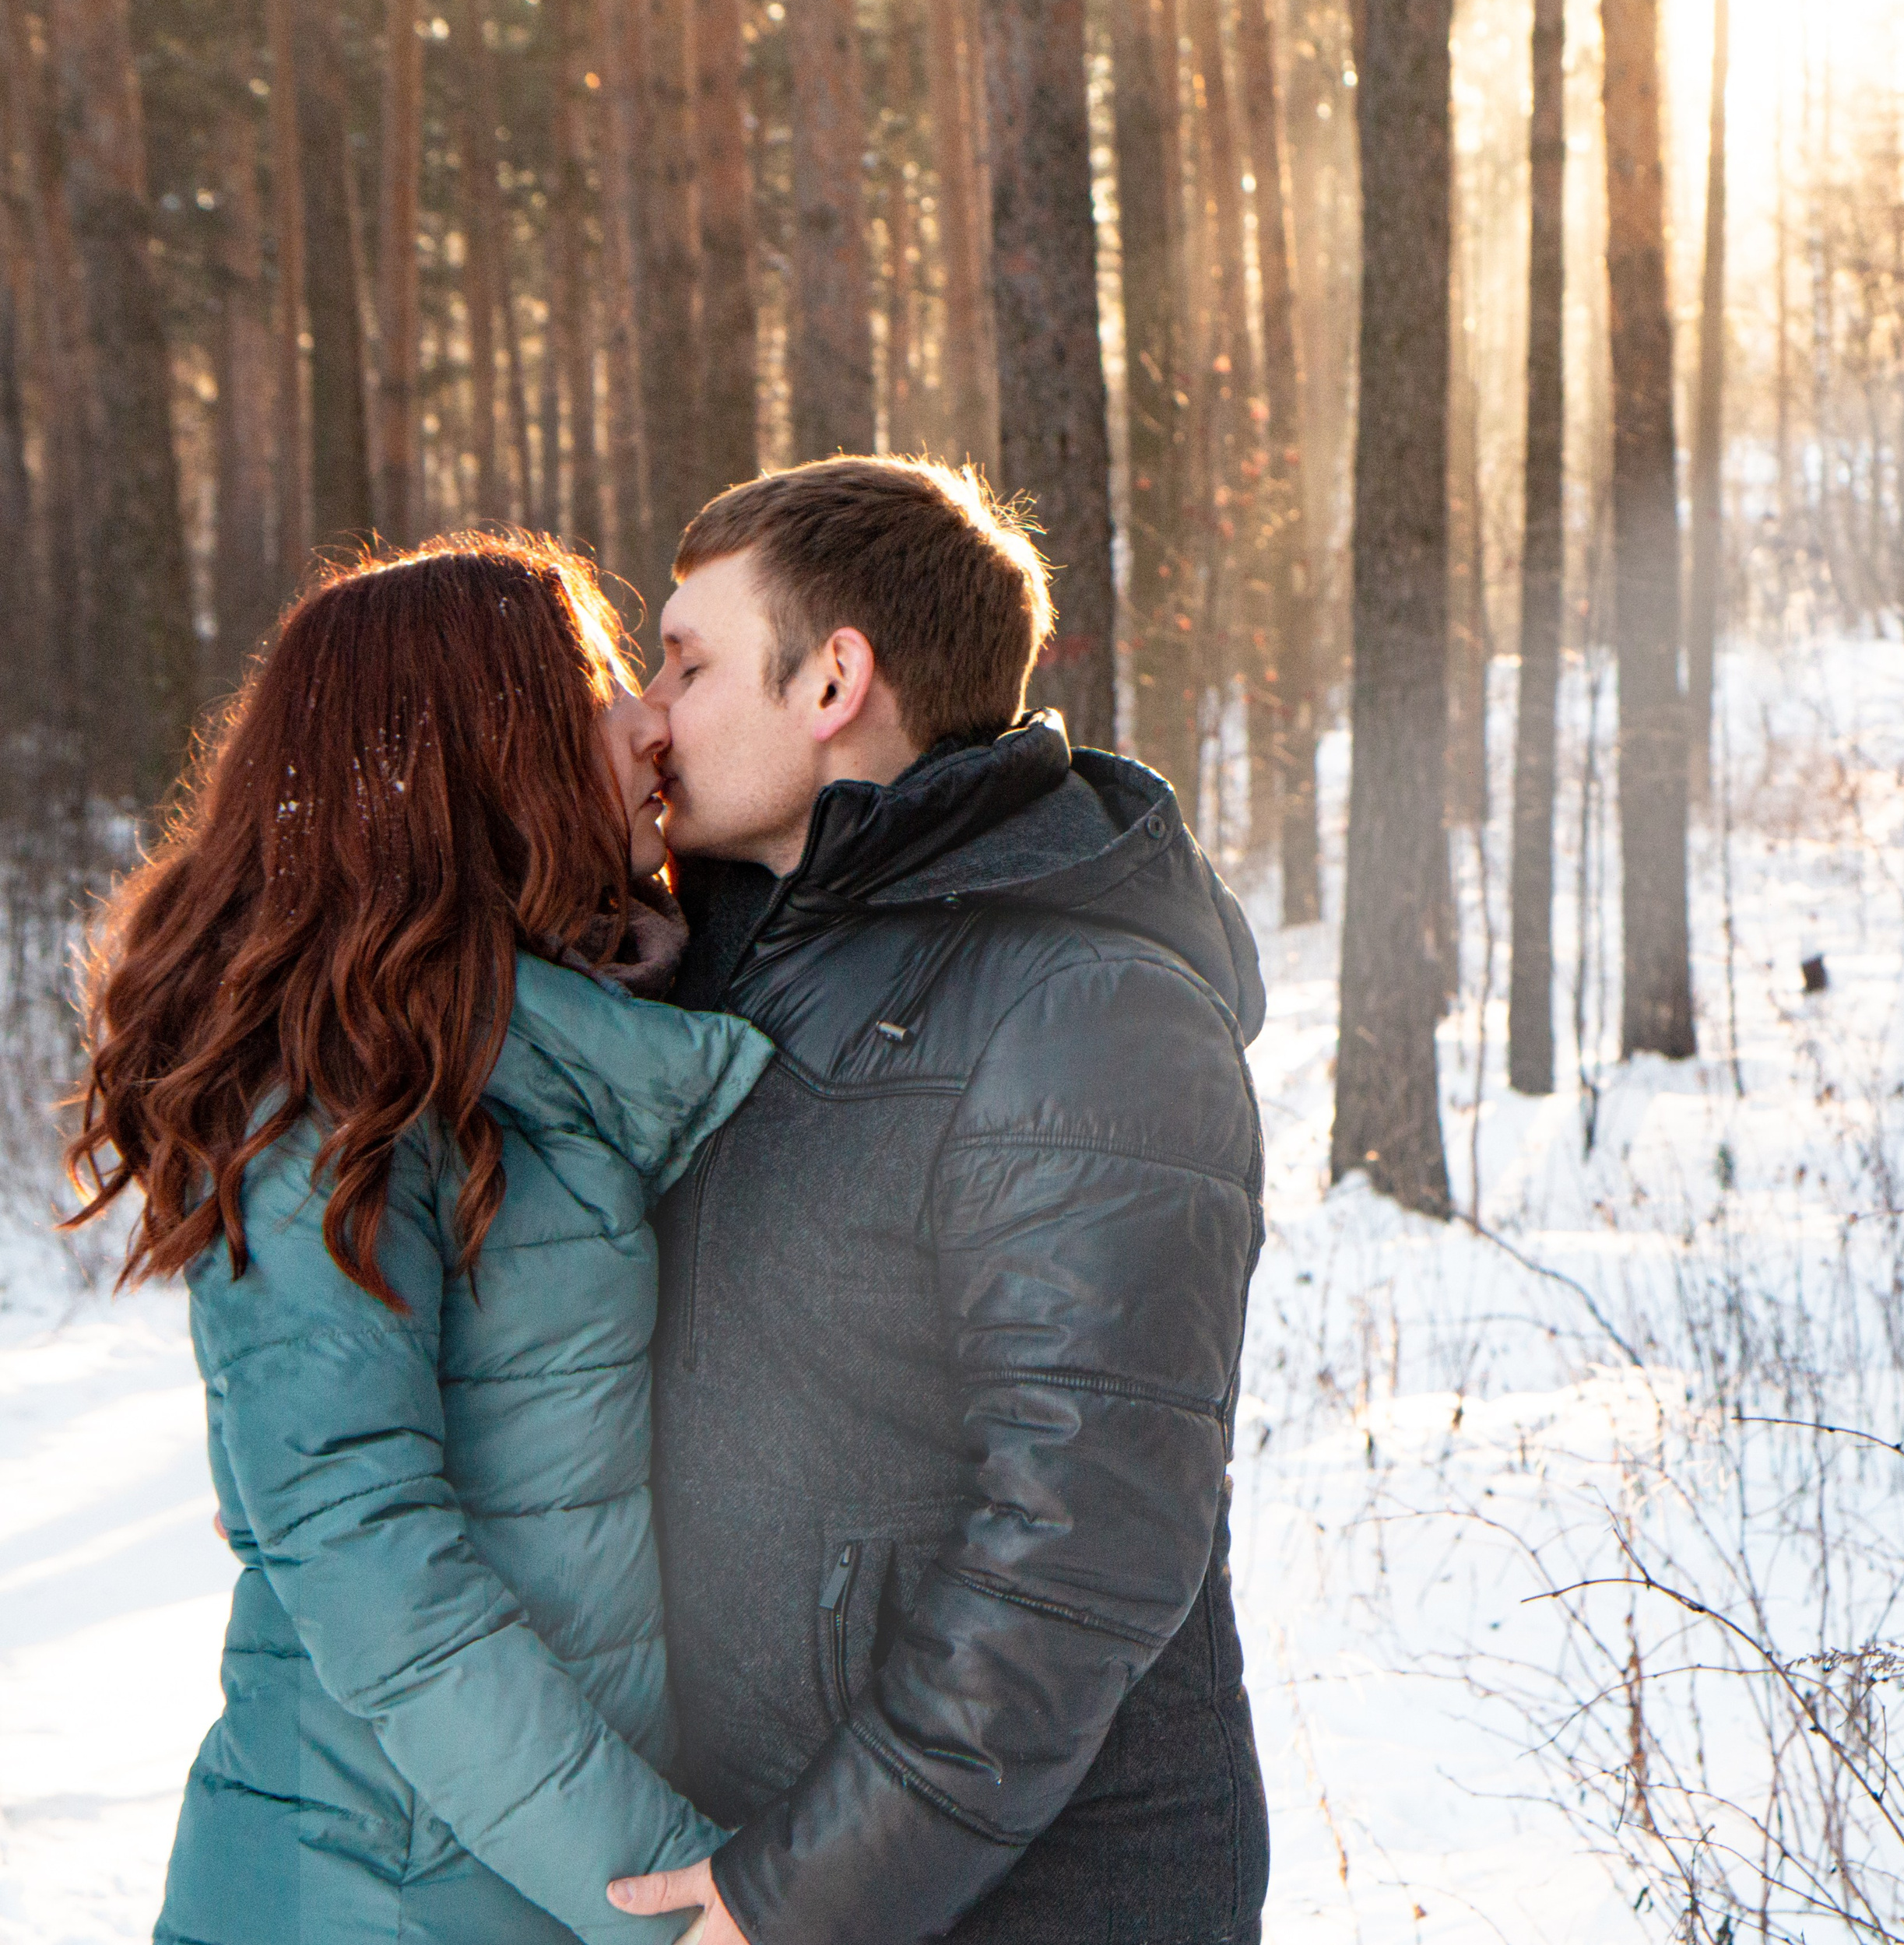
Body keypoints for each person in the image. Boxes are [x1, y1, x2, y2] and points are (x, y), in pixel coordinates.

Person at [64, 535, 771, 1945]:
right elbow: (374, 1568)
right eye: (592, 686)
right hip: (380, 1896)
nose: (647, 720)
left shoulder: (520, 1056)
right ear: (481, 756)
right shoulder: (330, 1095)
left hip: (495, 1880)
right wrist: (666, 1900)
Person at [609, 456, 1270, 1945]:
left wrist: (811, 1888)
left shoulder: (1087, 1009)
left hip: (1039, 1895)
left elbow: (1081, 1548)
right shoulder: (733, 964)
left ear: (834, 677)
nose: (650, 709)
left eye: (690, 661)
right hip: (778, 1845)